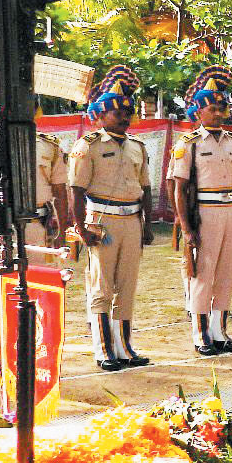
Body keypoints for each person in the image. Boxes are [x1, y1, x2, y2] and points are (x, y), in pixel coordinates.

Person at [68, 65, 152, 371]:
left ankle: (124, 347)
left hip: (132, 220)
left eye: (127, 112)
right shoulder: (87, 146)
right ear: (101, 115)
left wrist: (147, 223)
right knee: (102, 287)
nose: (124, 117)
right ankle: (104, 349)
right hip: (102, 223)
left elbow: (145, 188)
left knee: (126, 286)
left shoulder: (137, 147)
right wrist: (80, 228)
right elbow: (76, 191)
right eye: (117, 112)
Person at [170, 65, 232, 356]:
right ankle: (201, 334)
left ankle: (220, 331)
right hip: (205, 210)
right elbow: (180, 187)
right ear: (200, 111)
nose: (218, 113)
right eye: (213, 108)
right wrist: (187, 228)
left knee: (227, 273)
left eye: (222, 108)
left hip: (228, 210)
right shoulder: (188, 143)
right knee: (203, 273)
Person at [0, 111, 71, 261]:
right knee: (1, 279)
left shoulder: (50, 146)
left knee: (39, 278)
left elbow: (60, 193)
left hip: (38, 226)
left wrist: (62, 233)